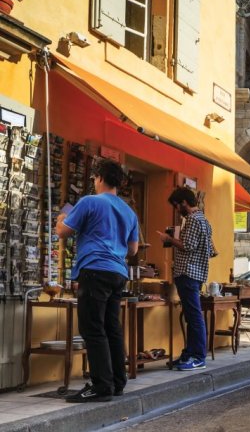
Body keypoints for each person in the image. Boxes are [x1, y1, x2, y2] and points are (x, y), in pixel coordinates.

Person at [56, 158, 139, 402]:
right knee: (111, 327)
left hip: (94, 269)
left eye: (94, 178)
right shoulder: (129, 211)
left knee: (92, 328)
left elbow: (63, 232)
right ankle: (116, 382)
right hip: (118, 272)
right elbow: (133, 249)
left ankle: (101, 385)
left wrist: (61, 218)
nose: (93, 181)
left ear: (100, 178)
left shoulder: (89, 202)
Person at [157, 187, 213, 371]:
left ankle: (197, 357)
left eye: (176, 205)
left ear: (184, 203)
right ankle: (189, 353)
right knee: (192, 316)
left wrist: (168, 238)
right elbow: (210, 250)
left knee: (194, 316)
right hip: (196, 274)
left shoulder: (191, 220)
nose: (176, 209)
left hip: (187, 273)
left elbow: (187, 246)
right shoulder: (204, 220)